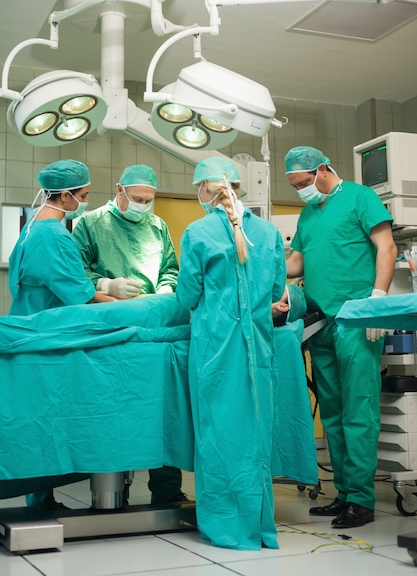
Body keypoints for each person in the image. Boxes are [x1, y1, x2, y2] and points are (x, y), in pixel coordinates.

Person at [175, 155, 286, 550]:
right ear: (237, 187)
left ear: (205, 189)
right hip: (257, 351)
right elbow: (276, 293)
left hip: (214, 353)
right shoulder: (269, 233)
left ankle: (225, 527)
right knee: (255, 436)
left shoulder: (198, 232)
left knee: (218, 435)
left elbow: (187, 294)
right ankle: (260, 529)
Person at [284, 145, 397, 528]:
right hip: (320, 323)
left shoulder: (360, 198)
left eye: (303, 182)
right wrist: (259, 267)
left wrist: (377, 304)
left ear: (323, 169)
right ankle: (345, 494)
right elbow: (297, 261)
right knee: (331, 412)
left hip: (356, 320)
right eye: (295, 185)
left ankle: (363, 500)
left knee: (358, 408)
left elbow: (387, 246)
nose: (301, 189)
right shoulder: (307, 213)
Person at [72, 164, 185, 505]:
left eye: (149, 200)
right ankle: (112, 492)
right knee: (115, 410)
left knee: (164, 408)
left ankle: (166, 491)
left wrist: (166, 291)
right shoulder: (89, 223)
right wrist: (107, 284)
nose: (144, 206)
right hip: (112, 327)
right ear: (120, 190)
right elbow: (75, 273)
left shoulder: (158, 226)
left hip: (154, 327)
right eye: (137, 198)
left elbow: (170, 268)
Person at [8, 159, 114, 510]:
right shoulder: (54, 234)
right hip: (46, 335)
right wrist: (119, 299)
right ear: (67, 195)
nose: (85, 200)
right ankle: (41, 501)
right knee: (45, 419)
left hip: (26, 326)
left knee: (32, 417)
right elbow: (77, 293)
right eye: (83, 195)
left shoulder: (30, 227)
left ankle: (39, 497)